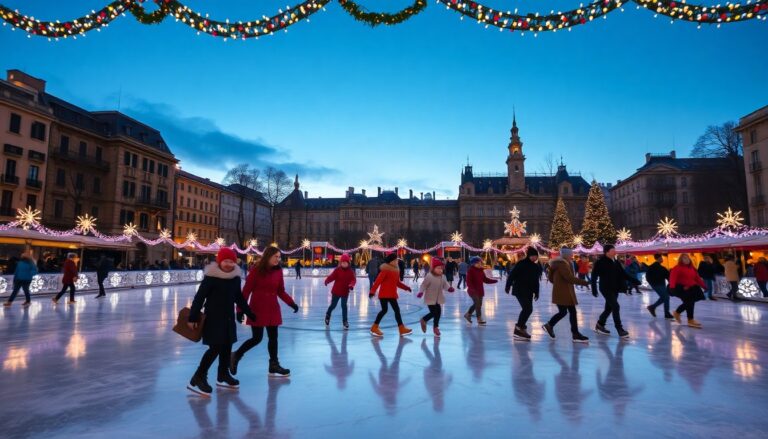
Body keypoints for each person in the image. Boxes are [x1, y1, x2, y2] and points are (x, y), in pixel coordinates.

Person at [187, 248, 256, 396]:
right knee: (215, 348)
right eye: (225, 261)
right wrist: (192, 317)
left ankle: (223, 375)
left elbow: (239, 298)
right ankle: (198, 377)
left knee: (227, 346)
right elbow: (199, 298)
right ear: (219, 261)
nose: (228, 264)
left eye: (231, 261)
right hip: (213, 318)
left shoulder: (235, 278)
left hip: (228, 318)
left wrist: (248, 312)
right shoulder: (211, 277)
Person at [232, 247, 299, 378]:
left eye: (279, 257)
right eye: (276, 256)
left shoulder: (278, 271)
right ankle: (236, 355)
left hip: (273, 308)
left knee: (273, 338)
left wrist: (291, 303)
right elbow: (246, 291)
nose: (278, 259)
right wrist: (240, 310)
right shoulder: (256, 270)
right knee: (257, 338)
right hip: (258, 308)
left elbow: (281, 291)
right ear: (268, 256)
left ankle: (274, 364)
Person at [541, 248, 590, 343]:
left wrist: (558, 282)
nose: (572, 256)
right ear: (566, 255)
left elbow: (551, 279)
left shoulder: (559, 264)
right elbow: (569, 278)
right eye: (570, 254)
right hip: (564, 292)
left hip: (563, 291)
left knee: (569, 312)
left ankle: (574, 333)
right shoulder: (562, 264)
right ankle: (550, 325)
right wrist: (585, 282)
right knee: (566, 312)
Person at [591, 245, 640, 339]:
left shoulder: (616, 262)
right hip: (605, 288)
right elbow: (594, 276)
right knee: (615, 306)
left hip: (615, 288)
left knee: (609, 308)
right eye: (613, 251)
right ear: (607, 252)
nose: (615, 252)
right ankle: (619, 329)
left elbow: (623, 274)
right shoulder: (600, 262)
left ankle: (600, 324)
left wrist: (634, 280)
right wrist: (594, 288)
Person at [369, 253, 413, 337]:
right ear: (392, 261)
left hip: (392, 294)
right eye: (395, 260)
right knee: (385, 310)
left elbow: (397, 283)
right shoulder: (385, 270)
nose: (397, 261)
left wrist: (406, 287)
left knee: (394, 310)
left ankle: (401, 328)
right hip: (384, 294)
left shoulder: (395, 270)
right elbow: (378, 281)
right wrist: (372, 291)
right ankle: (375, 327)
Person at [505, 247, 542, 341]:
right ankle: (519, 328)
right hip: (520, 290)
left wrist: (537, 292)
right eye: (533, 256)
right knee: (527, 308)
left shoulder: (535, 266)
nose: (535, 258)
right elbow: (512, 275)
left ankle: (521, 327)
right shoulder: (521, 264)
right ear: (529, 256)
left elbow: (536, 281)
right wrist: (508, 286)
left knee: (528, 309)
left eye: (536, 256)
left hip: (529, 291)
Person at [417, 258, 455, 337]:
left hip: (438, 298)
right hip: (430, 298)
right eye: (438, 268)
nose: (440, 270)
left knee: (438, 313)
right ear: (433, 268)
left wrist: (449, 288)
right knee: (434, 312)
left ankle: (435, 327)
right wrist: (421, 292)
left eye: (441, 268)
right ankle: (424, 320)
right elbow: (423, 285)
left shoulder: (442, 277)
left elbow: (445, 284)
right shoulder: (429, 276)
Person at [669, 253, 706, 328]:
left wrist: (704, 286)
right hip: (683, 289)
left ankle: (690, 319)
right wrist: (672, 288)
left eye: (687, 258)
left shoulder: (692, 268)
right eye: (684, 258)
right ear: (681, 260)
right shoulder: (677, 268)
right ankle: (678, 312)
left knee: (691, 303)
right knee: (689, 302)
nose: (686, 259)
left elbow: (697, 278)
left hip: (692, 288)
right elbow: (672, 278)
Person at [324, 254, 356, 329]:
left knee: (344, 306)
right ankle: (328, 315)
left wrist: (351, 285)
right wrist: (327, 280)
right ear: (340, 263)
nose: (344, 264)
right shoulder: (337, 270)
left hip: (345, 291)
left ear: (348, 263)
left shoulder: (351, 271)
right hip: (336, 291)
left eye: (346, 262)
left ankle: (345, 321)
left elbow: (353, 280)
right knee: (333, 305)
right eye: (343, 262)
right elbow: (332, 277)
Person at [464, 256, 498, 326]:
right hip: (472, 291)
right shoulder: (470, 271)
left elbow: (485, 280)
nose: (480, 264)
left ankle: (468, 314)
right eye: (478, 263)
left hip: (480, 290)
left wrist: (494, 280)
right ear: (473, 264)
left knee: (478, 304)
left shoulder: (481, 271)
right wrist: (472, 289)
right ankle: (479, 319)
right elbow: (468, 282)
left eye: (480, 263)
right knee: (477, 304)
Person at [646, 254, 673, 319]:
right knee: (666, 297)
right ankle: (666, 313)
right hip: (657, 285)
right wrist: (652, 283)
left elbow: (668, 276)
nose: (662, 259)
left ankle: (653, 307)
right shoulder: (654, 267)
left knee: (665, 297)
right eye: (661, 258)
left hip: (660, 284)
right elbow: (648, 276)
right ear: (658, 258)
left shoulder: (662, 268)